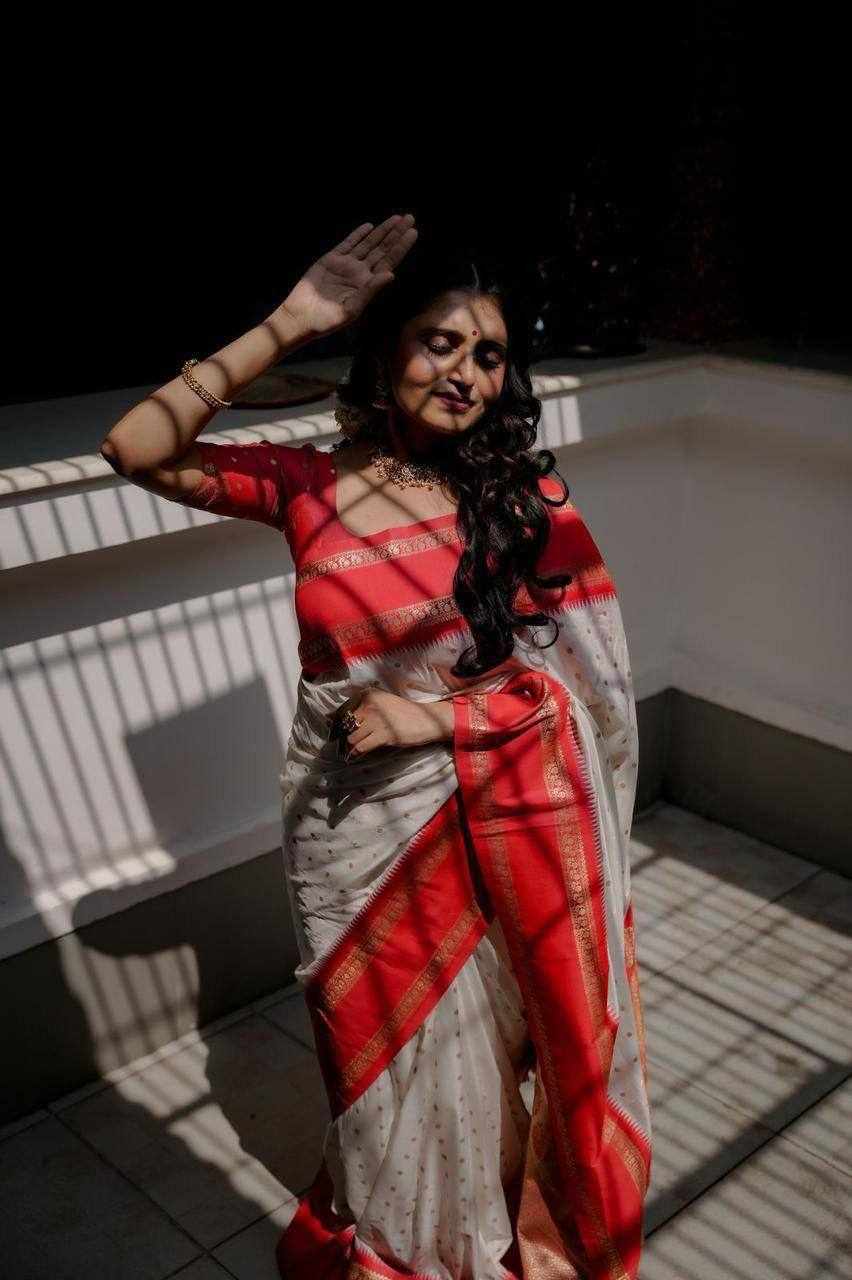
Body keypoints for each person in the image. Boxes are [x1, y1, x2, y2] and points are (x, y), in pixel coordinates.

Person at [100, 213, 652, 1280]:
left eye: (489, 355)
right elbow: (136, 448)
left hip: (488, 817)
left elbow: (583, 703)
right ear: (388, 346)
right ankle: (400, 1243)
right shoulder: (304, 485)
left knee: (483, 1052)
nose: (466, 374)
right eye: (441, 342)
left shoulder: (521, 502)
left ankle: (467, 1239)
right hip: (346, 822)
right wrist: (291, 320)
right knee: (376, 1060)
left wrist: (436, 719)